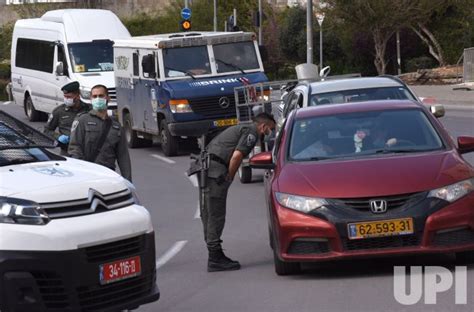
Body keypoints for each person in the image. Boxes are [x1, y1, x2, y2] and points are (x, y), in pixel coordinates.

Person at [202, 112, 276, 272]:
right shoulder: (251, 133)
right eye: (270, 130)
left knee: (208, 212)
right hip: (215, 172)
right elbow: (236, 157)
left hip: (207, 168)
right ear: (263, 126)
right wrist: (229, 177)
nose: (270, 134)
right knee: (215, 213)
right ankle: (215, 257)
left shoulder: (242, 128)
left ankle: (214, 252)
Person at [68, 84, 132, 181]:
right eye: (94, 96)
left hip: (108, 176)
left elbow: (123, 156)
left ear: (108, 98)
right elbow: (75, 149)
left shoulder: (116, 126)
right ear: (91, 99)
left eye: (101, 96)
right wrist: (81, 174)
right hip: (88, 176)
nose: (98, 99)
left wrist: (128, 181)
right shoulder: (82, 120)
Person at [43, 81, 90, 155]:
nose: (66, 99)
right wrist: (59, 136)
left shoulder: (89, 109)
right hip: (67, 151)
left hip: (87, 151)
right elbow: (47, 130)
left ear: (78, 96)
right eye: (65, 96)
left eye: (69, 97)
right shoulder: (59, 111)